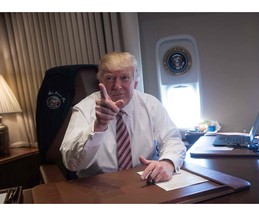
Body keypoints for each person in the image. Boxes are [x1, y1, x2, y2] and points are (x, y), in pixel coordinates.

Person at [60, 52, 186, 183]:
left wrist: (168, 162)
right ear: (100, 82)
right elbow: (71, 163)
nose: (117, 86)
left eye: (125, 78)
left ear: (135, 83)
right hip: (98, 185)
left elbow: (172, 139)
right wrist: (98, 126)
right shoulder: (84, 109)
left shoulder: (151, 105)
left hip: (142, 181)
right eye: (109, 79)